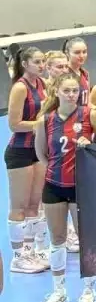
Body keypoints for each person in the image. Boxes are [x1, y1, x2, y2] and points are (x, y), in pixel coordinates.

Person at [35, 70, 96, 302]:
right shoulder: (45, 120)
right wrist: (57, 171)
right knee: (57, 240)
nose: (71, 94)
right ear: (56, 92)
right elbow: (41, 154)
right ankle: (59, 292)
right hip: (54, 186)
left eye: (75, 90)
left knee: (84, 239)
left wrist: (91, 145)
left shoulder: (90, 115)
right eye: (66, 90)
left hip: (82, 187)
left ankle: (89, 291)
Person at [7, 45, 49, 275]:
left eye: (43, 61)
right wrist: (42, 124)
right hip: (20, 151)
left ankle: (30, 252)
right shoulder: (20, 88)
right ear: (25, 64)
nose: (42, 66)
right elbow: (14, 124)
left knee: (35, 204)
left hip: (37, 149)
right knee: (19, 206)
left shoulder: (42, 84)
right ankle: (17, 258)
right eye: (37, 62)